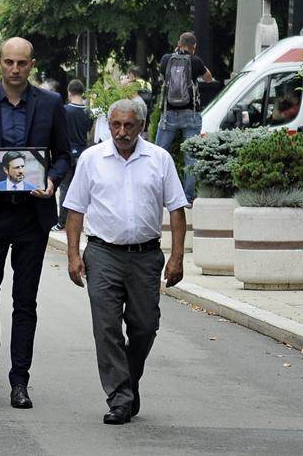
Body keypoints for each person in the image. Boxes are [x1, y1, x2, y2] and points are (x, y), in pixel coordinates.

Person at [0, 37, 71, 409]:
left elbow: (63, 156)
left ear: (31, 64)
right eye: (9, 62)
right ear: (0, 63)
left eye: (22, 63)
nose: (15, 69)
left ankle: (19, 381)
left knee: (25, 302)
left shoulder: (51, 104)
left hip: (31, 214)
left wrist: (52, 179)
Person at [63, 99, 187, 424]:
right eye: (116, 125)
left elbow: (176, 209)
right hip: (103, 254)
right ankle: (119, 398)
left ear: (142, 126)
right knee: (106, 328)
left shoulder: (160, 159)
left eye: (128, 125)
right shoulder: (92, 159)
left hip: (146, 256)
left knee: (145, 326)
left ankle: (129, 382)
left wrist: (176, 257)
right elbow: (75, 209)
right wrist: (73, 254)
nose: (121, 132)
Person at [155, 32, 214, 202]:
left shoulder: (166, 59)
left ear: (178, 44)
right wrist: (195, 58)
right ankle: (187, 197)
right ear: (193, 47)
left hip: (169, 115)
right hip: (190, 115)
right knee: (191, 158)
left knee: (159, 154)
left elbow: (162, 78)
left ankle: (160, 195)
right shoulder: (195, 61)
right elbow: (208, 79)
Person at [52, 79, 93, 231]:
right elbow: (88, 131)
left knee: (65, 187)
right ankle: (81, 223)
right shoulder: (88, 112)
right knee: (82, 189)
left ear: (69, 92)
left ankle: (61, 222)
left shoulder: (64, 110)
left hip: (68, 153)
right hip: (83, 153)